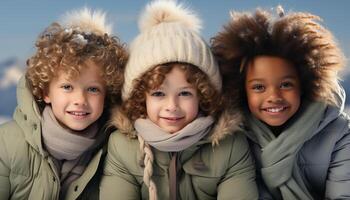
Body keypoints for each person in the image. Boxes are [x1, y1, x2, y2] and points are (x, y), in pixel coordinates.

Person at [99, 1, 258, 200]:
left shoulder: (230, 145)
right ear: (140, 98)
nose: (172, 106)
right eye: (158, 94)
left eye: (185, 93)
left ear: (203, 95)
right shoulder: (122, 146)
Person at [211, 6, 349, 199]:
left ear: (305, 84)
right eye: (259, 87)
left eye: (286, 84)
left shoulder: (338, 133)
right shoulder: (234, 137)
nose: (274, 96)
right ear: (241, 90)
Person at [0, 7, 128, 200]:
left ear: (106, 94)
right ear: (45, 92)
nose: (80, 100)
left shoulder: (113, 150)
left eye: (93, 89)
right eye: (67, 87)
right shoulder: (7, 142)